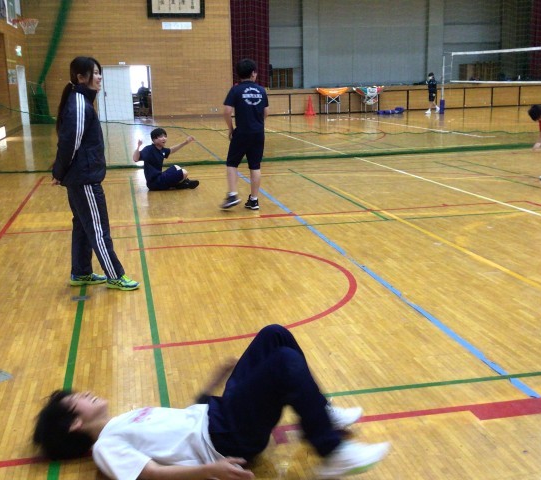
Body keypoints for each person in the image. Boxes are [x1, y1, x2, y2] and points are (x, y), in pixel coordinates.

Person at [33, 324, 391, 479]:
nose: (85, 392)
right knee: (284, 362)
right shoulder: (105, 446)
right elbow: (151, 474)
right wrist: (210, 471)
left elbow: (184, 419)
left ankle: (321, 415)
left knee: (274, 335)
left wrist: (215, 380)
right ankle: (331, 453)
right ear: (75, 423)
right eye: (77, 399)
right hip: (225, 437)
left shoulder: (125, 419)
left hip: (218, 413)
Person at [52, 56, 139, 291]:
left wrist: (61, 172)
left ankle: (81, 272)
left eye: (100, 72)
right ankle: (115, 275)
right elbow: (69, 143)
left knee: (82, 225)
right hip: (84, 179)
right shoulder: (79, 104)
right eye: (95, 73)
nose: (99, 77)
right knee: (98, 229)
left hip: (81, 177)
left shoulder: (81, 101)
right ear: (81, 78)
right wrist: (58, 171)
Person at [221, 58, 269, 210]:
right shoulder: (262, 90)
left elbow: (227, 111)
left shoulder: (235, 90)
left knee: (232, 163)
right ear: (253, 73)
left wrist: (231, 128)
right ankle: (254, 200)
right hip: (258, 133)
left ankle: (233, 194)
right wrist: (258, 123)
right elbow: (266, 112)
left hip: (242, 132)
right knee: (255, 166)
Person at [133, 128, 200, 191]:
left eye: (165, 136)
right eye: (161, 137)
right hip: (154, 183)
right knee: (184, 172)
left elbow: (171, 150)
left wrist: (185, 142)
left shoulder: (162, 150)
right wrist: (138, 147)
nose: (164, 138)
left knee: (176, 167)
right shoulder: (149, 149)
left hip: (160, 177)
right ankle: (182, 184)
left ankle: (183, 183)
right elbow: (135, 159)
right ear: (154, 139)